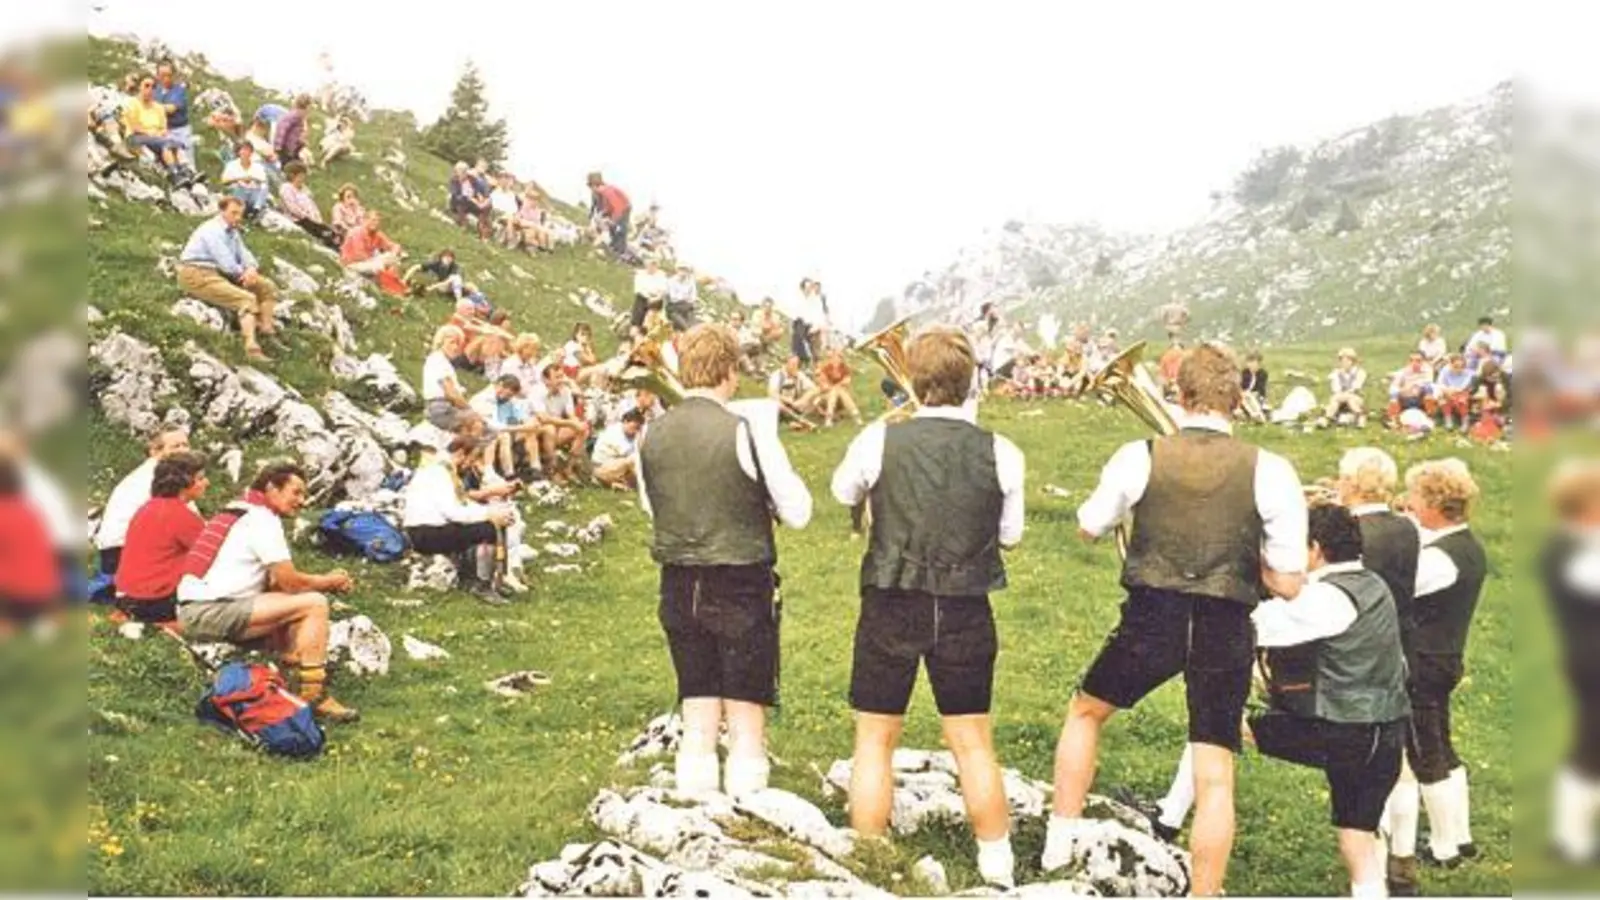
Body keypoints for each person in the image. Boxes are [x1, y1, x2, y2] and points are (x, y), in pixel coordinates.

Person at [1045, 344, 1308, 896]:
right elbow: (1287, 582)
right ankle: (1204, 894)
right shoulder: (1273, 470)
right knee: (1214, 771)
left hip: (1151, 617)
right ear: (1236, 399)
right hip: (1225, 624)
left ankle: (1057, 844)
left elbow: (1088, 527)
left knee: (1087, 712)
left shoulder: (1139, 455)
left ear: (1179, 395)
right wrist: (1243, 553)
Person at [830, 326, 1025, 888]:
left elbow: (844, 493)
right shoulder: (1002, 450)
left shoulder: (879, 440)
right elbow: (1009, 536)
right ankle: (998, 868)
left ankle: (868, 861)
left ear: (912, 380)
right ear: (970, 383)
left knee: (874, 737)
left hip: (892, 598)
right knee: (971, 740)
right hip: (966, 608)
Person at [637, 324, 813, 799]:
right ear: (731, 371)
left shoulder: (650, 434)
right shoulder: (747, 430)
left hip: (676, 581)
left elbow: (653, 506)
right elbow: (798, 512)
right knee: (745, 711)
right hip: (739, 580)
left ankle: (697, 810)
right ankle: (745, 813)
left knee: (696, 706)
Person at [1249, 504, 1411, 900]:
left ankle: (1174, 821)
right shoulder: (1373, 584)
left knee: (1219, 726)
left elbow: (1256, 626)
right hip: (1388, 734)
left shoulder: (1326, 598)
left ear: (1315, 549)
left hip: (1343, 732)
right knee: (1357, 842)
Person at [176, 462, 358, 723]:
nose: (302, 501)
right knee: (315, 603)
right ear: (272, 487)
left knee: (295, 604)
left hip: (196, 608)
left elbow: (276, 583)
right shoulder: (262, 519)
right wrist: (330, 581)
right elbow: (290, 583)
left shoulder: (239, 508)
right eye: (295, 492)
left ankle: (293, 673)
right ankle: (314, 695)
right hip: (209, 611)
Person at [1384, 459, 1487, 884]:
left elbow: (1399, 591)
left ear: (1435, 503)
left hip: (1424, 663)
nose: (1407, 502)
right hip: (1443, 660)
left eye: (1414, 497)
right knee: (1442, 744)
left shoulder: (1443, 559)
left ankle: (1443, 847)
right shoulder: (1463, 544)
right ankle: (1459, 837)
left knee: (1425, 753)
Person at [1543, 460, 1600, 865]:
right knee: (1589, 748)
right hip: (1591, 661)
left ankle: (1571, 835)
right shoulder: (1569, 550)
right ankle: (1570, 838)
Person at [402, 436, 516, 603]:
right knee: (488, 528)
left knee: (491, 521)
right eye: (471, 458)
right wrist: (489, 515)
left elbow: (462, 504)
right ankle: (482, 585)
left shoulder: (442, 470)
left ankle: (493, 579)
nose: (470, 464)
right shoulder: (439, 473)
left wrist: (492, 511)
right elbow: (453, 512)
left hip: (431, 527)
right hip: (424, 532)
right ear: (461, 454)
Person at [176, 197, 282, 362]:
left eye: (240, 214)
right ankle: (251, 348)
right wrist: (243, 274)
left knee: (267, 287)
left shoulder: (232, 231)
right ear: (222, 211)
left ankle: (267, 330)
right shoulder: (212, 230)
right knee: (247, 299)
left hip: (216, 272)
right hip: (196, 273)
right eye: (233, 213)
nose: (238, 217)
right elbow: (225, 262)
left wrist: (251, 269)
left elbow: (244, 253)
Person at [113, 452, 209, 627]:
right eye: (200, 478)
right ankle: (167, 626)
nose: (206, 483)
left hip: (126, 597)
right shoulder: (181, 515)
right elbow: (214, 552)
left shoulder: (149, 506)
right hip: (154, 601)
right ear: (184, 484)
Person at [94, 425, 191, 576]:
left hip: (120, 549)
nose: (183, 451)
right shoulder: (158, 478)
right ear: (155, 452)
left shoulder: (159, 473)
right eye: (175, 447)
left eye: (185, 445)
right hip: (122, 551)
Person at [0, 455, 62, 632]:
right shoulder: (30, 511)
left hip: (14, 594)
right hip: (45, 592)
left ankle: (7, 623)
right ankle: (41, 619)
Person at [121, 72, 198, 186]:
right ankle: (175, 174)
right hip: (135, 137)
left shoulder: (158, 108)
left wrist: (159, 134)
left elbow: (164, 128)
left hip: (156, 138)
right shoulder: (132, 103)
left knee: (172, 143)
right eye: (146, 85)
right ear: (139, 87)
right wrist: (149, 132)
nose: (150, 89)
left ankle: (185, 171)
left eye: (153, 87)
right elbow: (133, 125)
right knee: (166, 144)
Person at [528, 364, 591, 483]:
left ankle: (569, 467)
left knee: (583, 429)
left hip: (558, 427)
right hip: (536, 431)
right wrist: (570, 424)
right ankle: (552, 469)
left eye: (562, 376)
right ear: (546, 380)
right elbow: (544, 418)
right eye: (557, 377)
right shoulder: (537, 391)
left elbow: (571, 415)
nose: (561, 380)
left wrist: (578, 424)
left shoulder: (565, 391)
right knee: (549, 428)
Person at [423, 326, 475, 432]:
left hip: (445, 407)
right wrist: (470, 410)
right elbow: (451, 393)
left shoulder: (443, 362)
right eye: (452, 342)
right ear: (441, 342)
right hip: (441, 409)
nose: (455, 347)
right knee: (478, 425)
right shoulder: (438, 360)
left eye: (458, 344)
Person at [277, 161, 340, 249]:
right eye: (301, 176)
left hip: (313, 220)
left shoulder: (304, 189)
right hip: (300, 220)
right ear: (293, 175)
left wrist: (317, 219)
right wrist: (306, 217)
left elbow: (312, 205)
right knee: (327, 233)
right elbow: (292, 207)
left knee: (333, 233)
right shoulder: (286, 188)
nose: (303, 178)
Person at [340, 209, 403, 279]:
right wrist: (380, 262)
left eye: (378, 221)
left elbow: (391, 245)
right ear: (365, 220)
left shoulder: (376, 234)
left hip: (367, 262)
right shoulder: (357, 232)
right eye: (373, 220)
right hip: (352, 264)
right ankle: (386, 282)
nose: (376, 223)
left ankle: (393, 280)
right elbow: (359, 255)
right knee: (378, 265)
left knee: (391, 257)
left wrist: (394, 252)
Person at [592, 409, 646, 490]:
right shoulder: (615, 432)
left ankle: (618, 484)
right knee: (634, 459)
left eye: (638, 428)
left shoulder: (631, 435)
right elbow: (629, 454)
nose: (636, 431)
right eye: (635, 427)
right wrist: (640, 441)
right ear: (625, 422)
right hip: (602, 468)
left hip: (617, 467)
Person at [152, 58, 193, 163]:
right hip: (163, 130)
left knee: (185, 160)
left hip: (179, 131)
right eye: (162, 75)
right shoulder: (155, 91)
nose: (166, 78)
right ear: (157, 76)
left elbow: (171, 108)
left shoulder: (178, 90)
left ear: (173, 75)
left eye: (169, 75)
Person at [220, 140, 271, 219]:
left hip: (253, 192)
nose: (244, 152)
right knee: (238, 188)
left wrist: (253, 179)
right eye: (242, 149)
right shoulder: (231, 165)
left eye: (247, 150)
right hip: (239, 192)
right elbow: (224, 181)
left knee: (264, 187)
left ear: (251, 152)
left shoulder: (258, 166)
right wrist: (240, 179)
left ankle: (256, 210)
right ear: (238, 152)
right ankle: (244, 210)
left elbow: (263, 181)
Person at [1321, 348, 1369, 428]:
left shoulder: (1360, 372)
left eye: (1346, 360)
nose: (1343, 363)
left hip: (1355, 396)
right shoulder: (1336, 373)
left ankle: (1360, 416)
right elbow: (1335, 388)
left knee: (1351, 400)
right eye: (1341, 360)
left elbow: (1356, 387)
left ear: (1352, 361)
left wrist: (1346, 394)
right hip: (1340, 396)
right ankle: (1327, 418)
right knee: (1335, 399)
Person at [587, 171, 632, 257]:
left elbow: (618, 208)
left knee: (620, 229)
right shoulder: (603, 192)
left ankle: (620, 251)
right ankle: (614, 246)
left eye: (591, 187)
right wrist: (604, 212)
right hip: (618, 208)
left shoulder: (607, 192)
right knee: (613, 228)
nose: (591, 190)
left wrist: (613, 220)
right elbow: (609, 206)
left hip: (624, 208)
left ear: (594, 186)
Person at [1386, 351, 1437, 425]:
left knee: (1428, 388)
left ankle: (1430, 416)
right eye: (1411, 360)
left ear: (1423, 362)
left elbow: (1428, 382)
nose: (1414, 363)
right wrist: (1403, 390)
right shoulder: (1403, 372)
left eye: (1418, 361)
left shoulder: (1428, 370)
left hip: (1420, 398)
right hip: (1406, 397)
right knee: (1393, 393)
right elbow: (1394, 386)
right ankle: (1393, 419)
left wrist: (1416, 386)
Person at [767, 355, 821, 425]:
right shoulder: (777, 375)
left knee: (817, 399)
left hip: (796, 404)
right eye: (793, 364)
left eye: (797, 364)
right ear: (786, 364)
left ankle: (801, 418)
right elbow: (772, 393)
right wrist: (786, 400)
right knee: (776, 403)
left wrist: (802, 400)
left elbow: (814, 389)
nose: (795, 367)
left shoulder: (799, 375)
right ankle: (793, 420)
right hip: (782, 405)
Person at [815, 348, 862, 428]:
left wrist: (836, 386)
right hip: (826, 397)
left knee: (839, 391)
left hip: (841, 398)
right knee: (835, 391)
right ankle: (856, 414)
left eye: (838, 358)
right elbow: (823, 387)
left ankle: (829, 419)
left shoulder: (844, 368)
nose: (836, 360)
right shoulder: (825, 368)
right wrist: (835, 387)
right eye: (834, 358)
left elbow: (847, 381)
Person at [404, 249, 473, 300]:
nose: (448, 260)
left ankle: (460, 300)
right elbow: (416, 267)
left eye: (450, 258)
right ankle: (414, 289)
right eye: (445, 257)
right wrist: (404, 279)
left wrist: (432, 287)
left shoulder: (456, 267)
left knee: (463, 282)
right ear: (441, 258)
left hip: (454, 286)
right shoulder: (436, 264)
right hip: (443, 288)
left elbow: (449, 281)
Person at [1435, 354, 1476, 431]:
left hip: (1462, 391)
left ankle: (1465, 421)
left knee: (1461, 400)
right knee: (1443, 399)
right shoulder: (1445, 370)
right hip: (1448, 391)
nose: (1459, 369)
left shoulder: (1468, 373)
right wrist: (1446, 390)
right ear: (1450, 364)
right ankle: (1448, 420)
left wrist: (1454, 391)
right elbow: (1440, 383)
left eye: (1462, 367)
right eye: (1456, 366)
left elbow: (1464, 386)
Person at [272, 95, 313, 167]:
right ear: (305, 106)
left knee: (295, 165)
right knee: (287, 165)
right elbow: (282, 129)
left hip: (294, 148)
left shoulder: (301, 117)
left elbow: (297, 133)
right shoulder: (294, 115)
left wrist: (302, 142)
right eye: (309, 107)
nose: (310, 110)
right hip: (286, 149)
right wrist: (278, 146)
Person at [631, 259, 669, 333]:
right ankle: (636, 325)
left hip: (657, 299)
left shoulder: (661, 275)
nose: (652, 267)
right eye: (651, 264)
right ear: (647, 265)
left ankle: (654, 326)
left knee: (660, 307)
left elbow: (663, 290)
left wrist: (656, 297)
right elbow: (638, 290)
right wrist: (649, 297)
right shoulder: (640, 275)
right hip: (643, 297)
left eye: (654, 265)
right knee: (639, 302)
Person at [666, 265, 700, 332]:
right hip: (674, 308)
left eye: (685, 270)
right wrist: (685, 298)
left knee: (694, 327)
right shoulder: (671, 281)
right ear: (677, 270)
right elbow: (673, 298)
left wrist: (686, 299)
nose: (683, 272)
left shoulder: (691, 282)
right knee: (686, 328)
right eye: (681, 269)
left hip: (687, 307)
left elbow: (693, 297)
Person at [1239, 351, 1270, 423]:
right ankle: (1256, 416)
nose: (1251, 365)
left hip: (1256, 397)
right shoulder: (1244, 373)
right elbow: (1240, 388)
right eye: (1249, 362)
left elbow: (1261, 389)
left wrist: (1256, 395)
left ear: (1259, 364)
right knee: (1246, 397)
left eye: (1254, 363)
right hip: (1244, 397)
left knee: (1251, 398)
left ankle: (1257, 416)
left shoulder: (1262, 374)